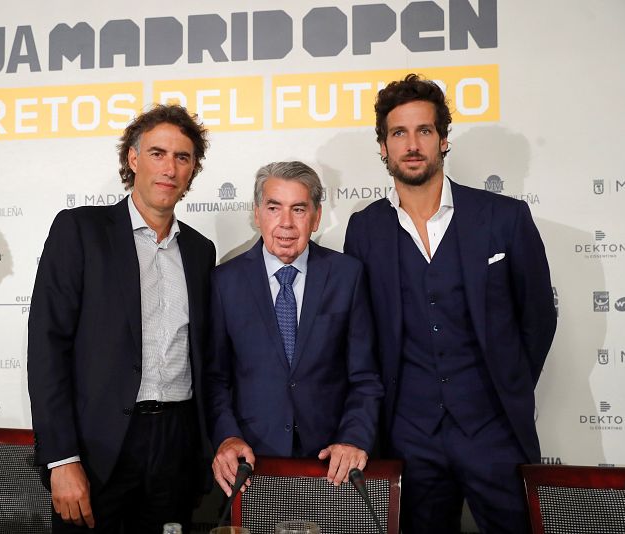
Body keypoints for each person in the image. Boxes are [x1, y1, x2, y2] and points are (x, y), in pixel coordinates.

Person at [344, 74, 557, 533]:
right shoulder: (364, 229)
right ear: (382, 146)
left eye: (424, 130)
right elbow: (362, 333)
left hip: (494, 431)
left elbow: (538, 317)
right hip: (408, 435)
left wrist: (508, 387)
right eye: (398, 133)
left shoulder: (505, 217)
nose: (412, 144)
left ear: (443, 140)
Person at [28, 104, 216, 533]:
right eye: (157, 153)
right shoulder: (80, 230)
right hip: (98, 450)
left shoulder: (200, 251)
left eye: (182, 157)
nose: (169, 168)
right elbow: (47, 348)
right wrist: (62, 458)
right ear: (133, 159)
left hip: (177, 447)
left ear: (192, 169)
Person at [205, 161, 383, 496]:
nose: (286, 223)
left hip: (332, 464)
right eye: (274, 208)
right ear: (257, 213)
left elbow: (365, 377)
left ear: (316, 218)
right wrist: (227, 437)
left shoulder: (347, 275)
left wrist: (353, 438)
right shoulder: (224, 281)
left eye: (298, 209)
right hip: (251, 464)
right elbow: (215, 379)